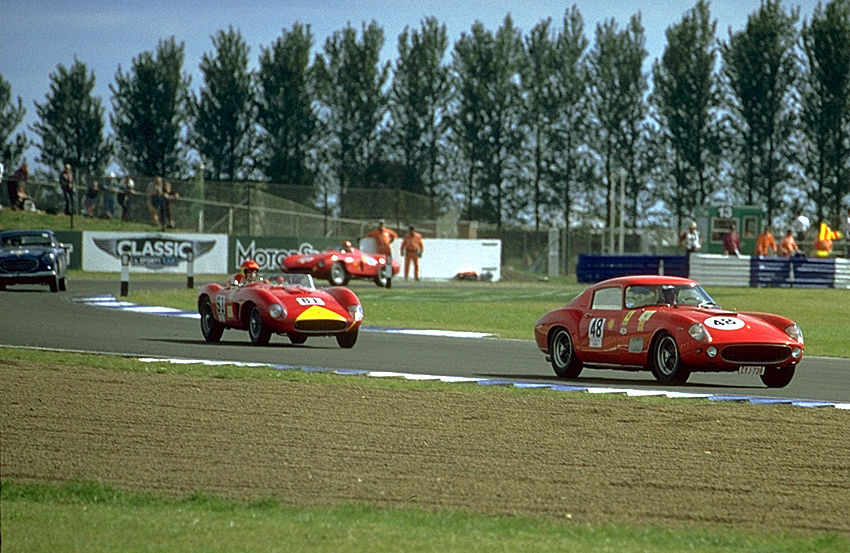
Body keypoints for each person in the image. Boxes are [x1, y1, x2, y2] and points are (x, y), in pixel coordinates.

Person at [365, 219, 398, 286]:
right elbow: (368, 236)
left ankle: (389, 277)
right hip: (380, 249)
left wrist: (391, 241)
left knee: (389, 263)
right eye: (380, 224)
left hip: (387, 249)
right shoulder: (375, 232)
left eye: (382, 224)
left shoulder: (387, 231)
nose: (381, 225)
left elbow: (394, 235)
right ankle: (382, 276)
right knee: (381, 264)